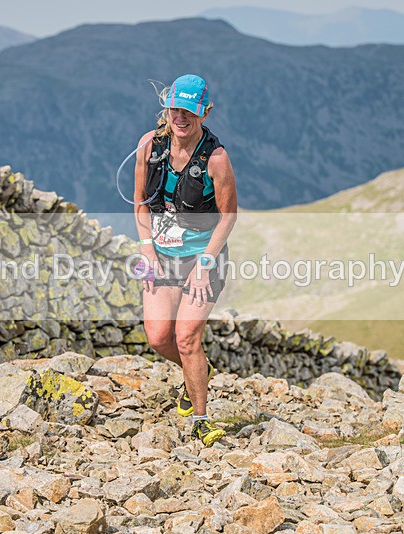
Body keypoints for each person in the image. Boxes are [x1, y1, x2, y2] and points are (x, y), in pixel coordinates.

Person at [133, 74, 238, 447]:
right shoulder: (149, 146)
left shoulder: (217, 160)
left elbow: (228, 216)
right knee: (159, 337)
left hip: (202, 258)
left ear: (204, 113)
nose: (181, 117)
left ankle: (201, 421)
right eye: (175, 108)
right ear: (167, 107)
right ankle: (196, 374)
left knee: (187, 338)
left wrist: (206, 262)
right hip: (160, 254)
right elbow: (140, 204)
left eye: (190, 111)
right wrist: (146, 248)